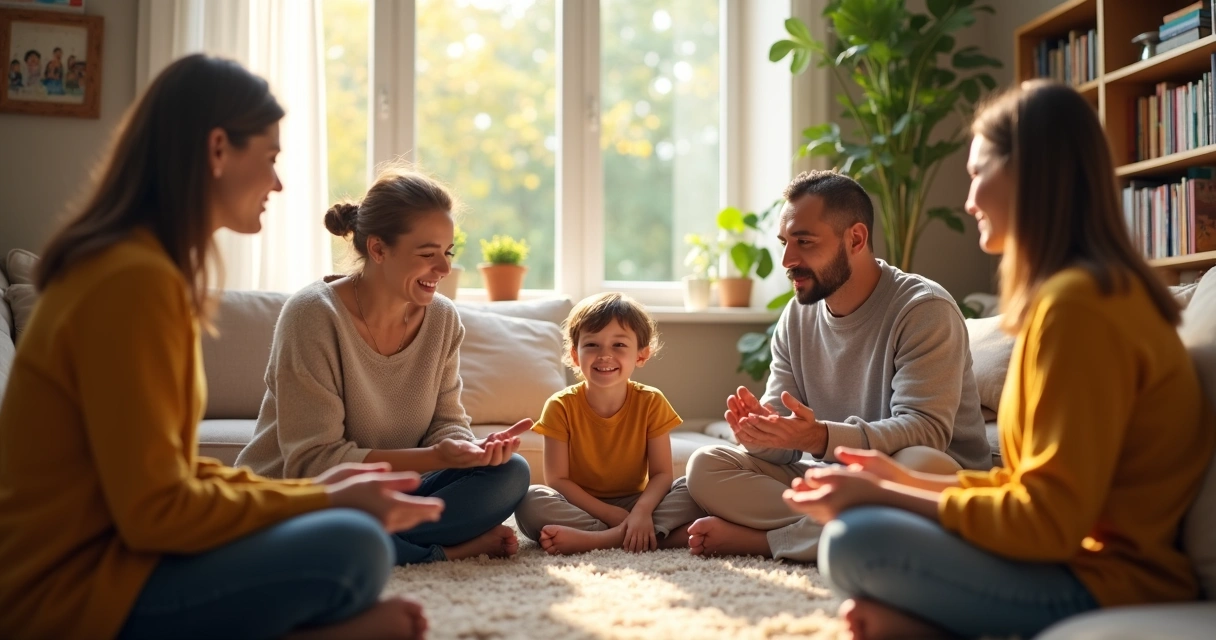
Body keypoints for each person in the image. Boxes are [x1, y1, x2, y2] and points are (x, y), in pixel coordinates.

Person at [0, 54, 445, 640]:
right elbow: (157, 515)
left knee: (358, 536)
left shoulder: (140, 268)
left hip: (120, 555)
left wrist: (319, 491)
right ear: (217, 150)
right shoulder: (131, 282)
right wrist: (315, 502)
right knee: (356, 547)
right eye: (270, 159)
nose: (278, 183)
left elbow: (170, 478)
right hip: (69, 592)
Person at [785, 80, 1216, 640]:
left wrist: (890, 493)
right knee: (858, 518)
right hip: (1070, 557)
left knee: (855, 541)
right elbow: (1025, 485)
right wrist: (897, 481)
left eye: (977, 173)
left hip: (1106, 577)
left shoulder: (1081, 310)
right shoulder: (1075, 297)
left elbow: (1049, 524)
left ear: (1030, 175)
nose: (967, 201)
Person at [684, 169, 992, 562]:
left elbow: (926, 431)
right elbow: (786, 445)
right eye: (784, 243)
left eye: (805, 242)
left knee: (921, 462)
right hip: (840, 477)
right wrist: (761, 432)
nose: (787, 260)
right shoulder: (796, 317)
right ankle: (840, 527)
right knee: (707, 466)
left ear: (856, 239)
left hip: (927, 477)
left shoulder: (923, 309)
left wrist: (818, 438)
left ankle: (763, 542)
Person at [236, 166, 532, 565]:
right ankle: (440, 551)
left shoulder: (442, 319)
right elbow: (313, 462)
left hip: (394, 493)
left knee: (511, 473)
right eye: (428, 255)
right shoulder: (312, 316)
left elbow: (446, 422)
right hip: (307, 495)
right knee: (337, 532)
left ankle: (388, 543)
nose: (444, 270)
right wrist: (438, 458)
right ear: (378, 249)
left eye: (447, 253)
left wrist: (470, 450)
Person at [514, 293, 706, 554]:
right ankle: (650, 537)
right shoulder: (560, 406)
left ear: (641, 354)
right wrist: (610, 514)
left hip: (638, 503)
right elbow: (558, 480)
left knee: (695, 486)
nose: (605, 355)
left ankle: (603, 540)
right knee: (531, 501)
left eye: (619, 345)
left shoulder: (652, 401)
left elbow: (662, 474)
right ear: (574, 354)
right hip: (581, 505)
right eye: (592, 345)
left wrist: (641, 511)